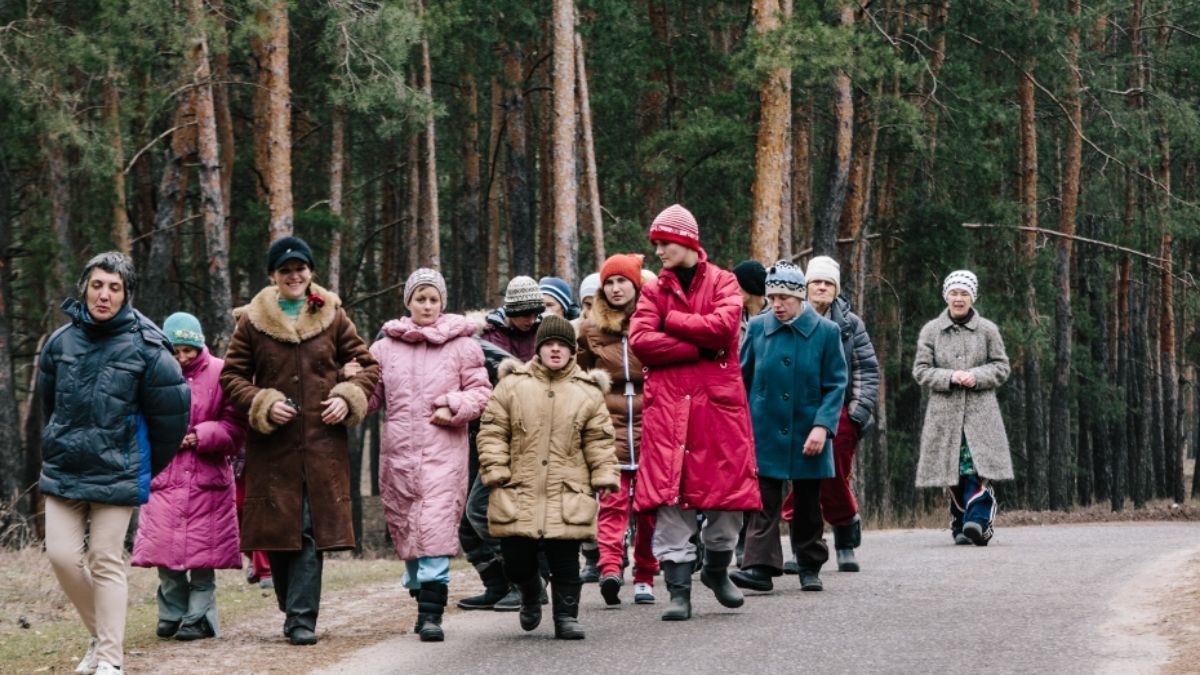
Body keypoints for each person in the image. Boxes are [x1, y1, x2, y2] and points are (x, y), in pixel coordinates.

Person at [220, 236, 380, 646]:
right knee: (279, 531)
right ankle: (293, 604)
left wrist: (348, 398)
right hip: (272, 448)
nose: (294, 276)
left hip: (322, 444)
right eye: (285, 270)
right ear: (273, 276)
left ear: (311, 273)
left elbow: (367, 367)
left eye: (300, 269)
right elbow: (231, 377)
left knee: (309, 529)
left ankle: (301, 618)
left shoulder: (333, 315)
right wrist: (263, 402)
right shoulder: (252, 322)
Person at [39, 252, 190, 675]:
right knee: (62, 556)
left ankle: (109, 659)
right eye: (97, 285)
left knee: (105, 559)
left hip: (118, 471)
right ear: (84, 287)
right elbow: (49, 407)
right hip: (64, 467)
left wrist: (138, 465)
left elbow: (170, 421)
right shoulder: (59, 343)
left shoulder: (149, 348)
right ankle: (100, 634)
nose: (104, 295)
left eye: (114, 287)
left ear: (126, 295)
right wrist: (56, 443)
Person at [629, 204, 761, 622]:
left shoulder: (725, 281)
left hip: (718, 409)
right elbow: (641, 340)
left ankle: (718, 572)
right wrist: (697, 346)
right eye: (656, 244)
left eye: (664, 243)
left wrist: (673, 322)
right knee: (671, 499)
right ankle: (679, 591)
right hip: (668, 408)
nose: (659, 252)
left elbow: (724, 329)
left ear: (686, 241)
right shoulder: (653, 291)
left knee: (726, 500)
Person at [477, 315, 620, 639]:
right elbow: (492, 431)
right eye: (549, 344)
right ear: (539, 349)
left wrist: (605, 475)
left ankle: (566, 617)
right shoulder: (513, 385)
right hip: (519, 486)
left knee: (565, 557)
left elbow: (599, 439)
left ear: (572, 351)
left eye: (562, 345)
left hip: (567, 488)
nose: (555, 350)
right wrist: (496, 469)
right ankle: (529, 593)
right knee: (516, 557)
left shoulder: (586, 392)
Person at [367, 268, 492, 642]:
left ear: (443, 302)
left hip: (443, 454)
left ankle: (431, 616)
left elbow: (481, 393)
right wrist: (346, 394)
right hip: (398, 457)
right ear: (408, 302)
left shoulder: (463, 345)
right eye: (420, 298)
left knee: (435, 528)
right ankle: (420, 589)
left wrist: (453, 405)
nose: (427, 305)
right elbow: (372, 396)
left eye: (433, 298)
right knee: (408, 534)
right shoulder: (384, 348)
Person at [732, 261, 848, 593]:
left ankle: (810, 564)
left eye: (784, 297)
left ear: (800, 297)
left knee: (808, 503)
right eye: (772, 297)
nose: (777, 304)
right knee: (763, 500)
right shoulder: (756, 328)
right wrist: (740, 426)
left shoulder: (827, 333)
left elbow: (836, 384)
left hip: (808, 430)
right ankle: (759, 567)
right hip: (764, 428)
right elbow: (743, 378)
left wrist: (822, 427)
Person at [131, 312, 247, 641]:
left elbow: (237, 428)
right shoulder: (152, 373)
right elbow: (137, 420)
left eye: (188, 350)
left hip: (207, 477)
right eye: (175, 350)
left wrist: (201, 435)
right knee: (163, 552)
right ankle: (172, 612)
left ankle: (199, 618)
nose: (182, 357)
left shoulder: (222, 373)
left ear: (200, 346)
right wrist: (165, 436)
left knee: (203, 556)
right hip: (164, 476)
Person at [779, 255, 879, 574]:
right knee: (803, 476)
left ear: (835, 289)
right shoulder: (788, 320)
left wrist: (857, 414)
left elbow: (867, 370)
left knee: (832, 473)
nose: (821, 287)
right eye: (816, 282)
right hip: (797, 411)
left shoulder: (850, 324)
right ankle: (804, 545)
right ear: (806, 287)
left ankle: (845, 538)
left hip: (840, 412)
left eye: (827, 283)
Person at [577, 253, 659, 606]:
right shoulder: (590, 328)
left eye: (621, 281)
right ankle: (610, 568)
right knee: (611, 502)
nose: (615, 288)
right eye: (608, 282)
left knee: (648, 507)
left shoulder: (655, 320)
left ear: (636, 285)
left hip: (650, 423)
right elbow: (577, 374)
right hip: (608, 423)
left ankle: (644, 575)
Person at [913, 270, 1012, 546]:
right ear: (946, 296)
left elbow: (1002, 367)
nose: (959, 299)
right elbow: (921, 371)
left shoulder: (988, 330)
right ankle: (960, 521)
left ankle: (979, 522)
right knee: (952, 471)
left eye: (964, 293)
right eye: (954, 293)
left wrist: (977, 376)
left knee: (975, 469)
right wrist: (949, 376)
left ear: (973, 297)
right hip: (944, 415)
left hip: (981, 414)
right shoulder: (931, 331)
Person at [476, 276, 544, 362]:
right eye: (526, 315)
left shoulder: (543, 332)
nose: (532, 321)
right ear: (512, 312)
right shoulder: (488, 334)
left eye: (536, 315)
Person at [733, 260, 768, 345]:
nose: (732, 288)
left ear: (750, 286)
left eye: (736, 284)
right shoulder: (734, 316)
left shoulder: (775, 316)